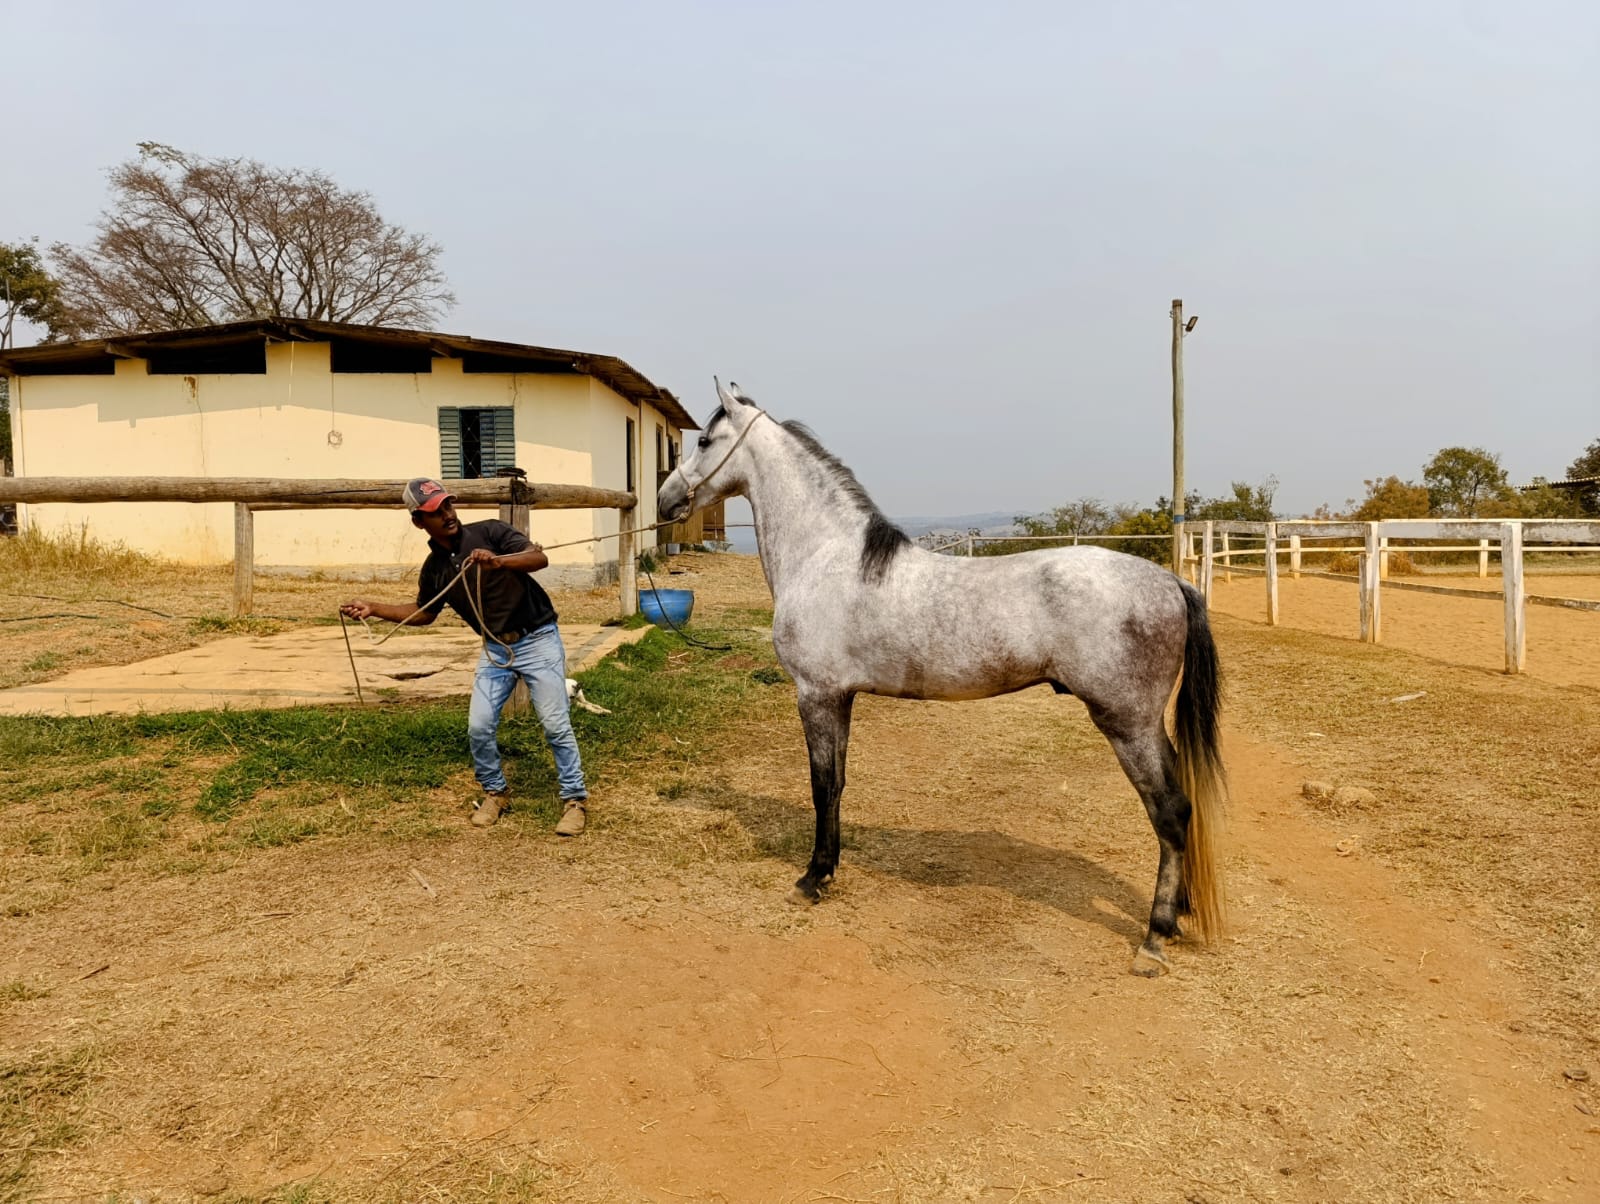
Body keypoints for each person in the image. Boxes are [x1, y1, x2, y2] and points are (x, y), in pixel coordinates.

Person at [341, 478, 589, 834]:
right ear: (418, 521)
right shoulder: (435, 568)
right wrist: (374, 608)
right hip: (494, 648)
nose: (447, 515)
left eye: (447, 506)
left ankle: (575, 799)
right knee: (479, 726)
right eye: (434, 512)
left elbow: (539, 558)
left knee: (554, 724)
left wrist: (499, 562)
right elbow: (425, 612)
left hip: (537, 640)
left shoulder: (491, 532)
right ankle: (495, 792)